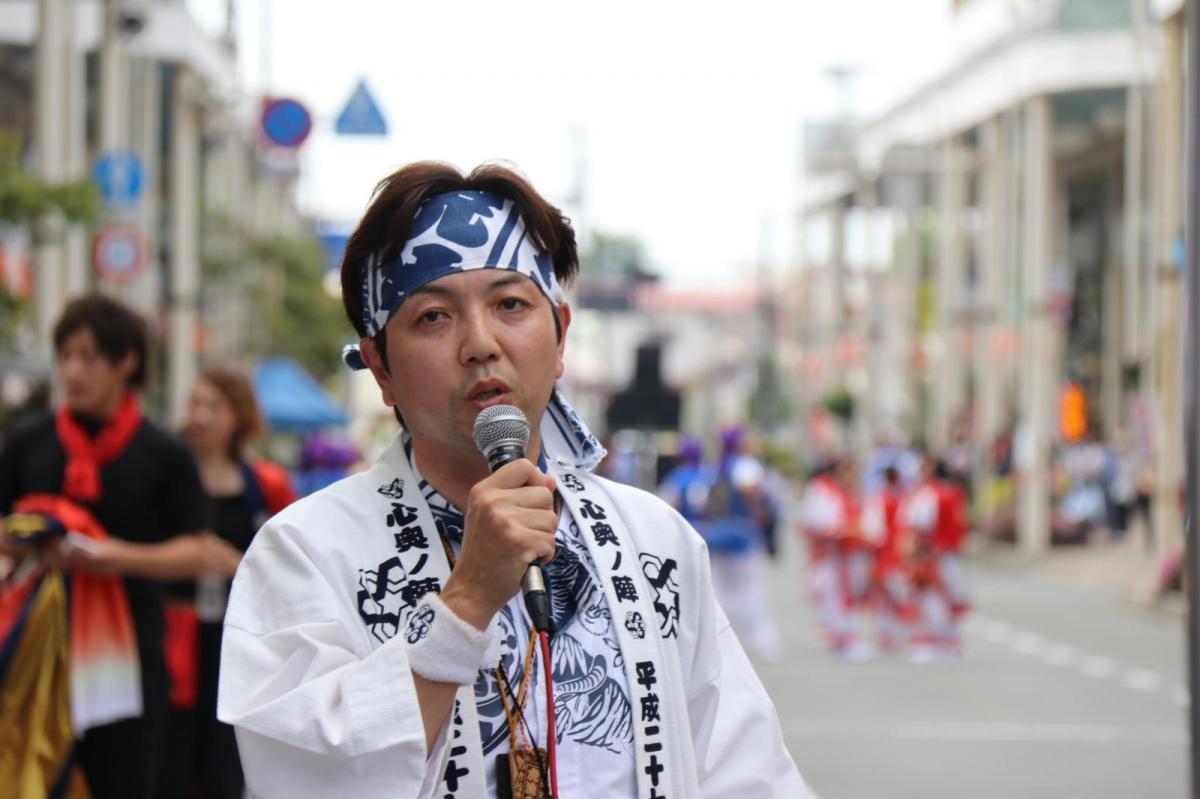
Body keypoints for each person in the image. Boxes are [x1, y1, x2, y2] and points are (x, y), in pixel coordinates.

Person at [217, 162, 807, 798]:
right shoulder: (306, 552)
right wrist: (466, 602)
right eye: (433, 317)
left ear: (560, 337)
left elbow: (744, 769)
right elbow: (300, 773)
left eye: (510, 305)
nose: (481, 344)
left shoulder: (653, 540)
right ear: (380, 367)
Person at [0, 294, 240, 798]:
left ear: (126, 361)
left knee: (125, 784)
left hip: (128, 657)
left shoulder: (164, 453)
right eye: (66, 356)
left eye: (88, 357)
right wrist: (32, 541)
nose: (72, 371)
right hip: (35, 650)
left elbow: (203, 551)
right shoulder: (28, 441)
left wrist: (116, 557)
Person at [161, 367, 297, 798]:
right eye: (195, 404)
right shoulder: (165, 475)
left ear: (239, 414)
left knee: (225, 758)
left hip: (236, 637)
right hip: (171, 635)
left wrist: (241, 566)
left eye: (214, 406)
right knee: (168, 760)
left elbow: (293, 560)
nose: (200, 416)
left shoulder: (266, 484)